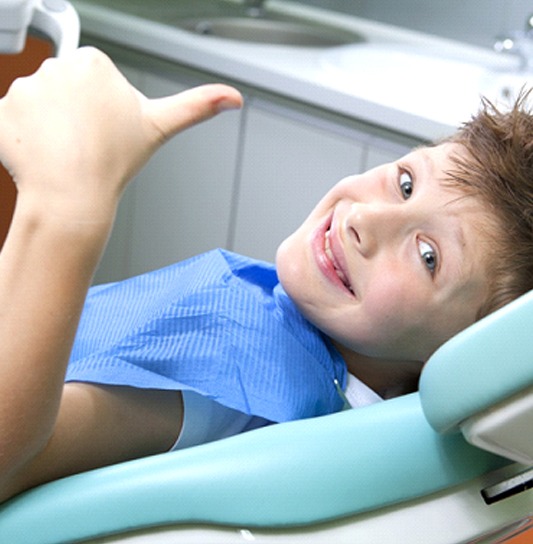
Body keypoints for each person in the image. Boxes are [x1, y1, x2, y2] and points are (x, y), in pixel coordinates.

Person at [0, 47, 531, 503]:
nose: (365, 220)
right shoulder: (301, 356)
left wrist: (64, 206)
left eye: (428, 256)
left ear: (456, 352)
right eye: (407, 183)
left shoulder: (234, 394)